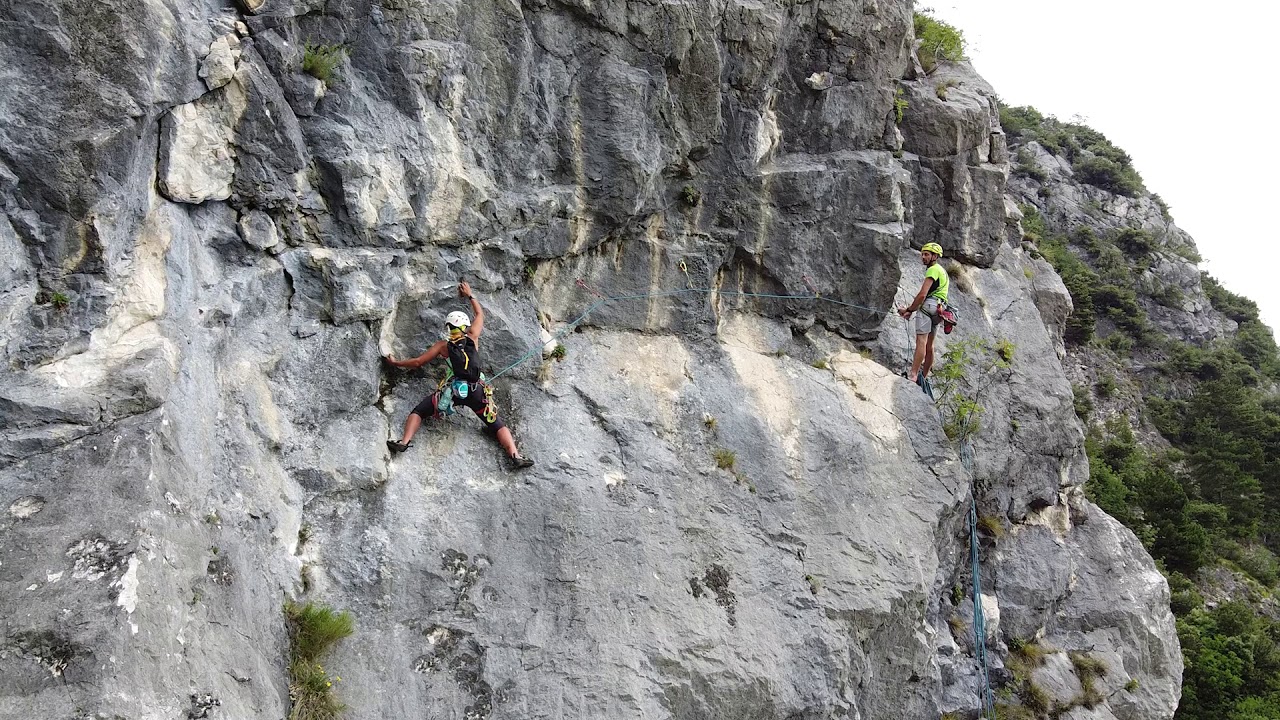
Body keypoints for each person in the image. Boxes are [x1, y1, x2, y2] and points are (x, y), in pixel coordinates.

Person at [384, 281, 534, 470]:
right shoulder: (473, 336)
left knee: (419, 411)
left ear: (448, 326)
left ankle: (404, 442)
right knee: (496, 423)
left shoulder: (443, 346)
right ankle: (515, 455)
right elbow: (480, 314)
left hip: (453, 392)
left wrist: (395, 362)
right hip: (477, 391)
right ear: (465, 325)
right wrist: (470, 295)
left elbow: (417, 362)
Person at [897, 242, 952, 384]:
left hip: (929, 305)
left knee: (921, 341)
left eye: (927, 254)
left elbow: (922, 295)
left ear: (935, 256)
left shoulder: (933, 270)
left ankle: (913, 375)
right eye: (922, 254)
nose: (923, 257)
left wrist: (909, 310)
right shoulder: (943, 272)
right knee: (930, 345)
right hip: (940, 310)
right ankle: (924, 376)